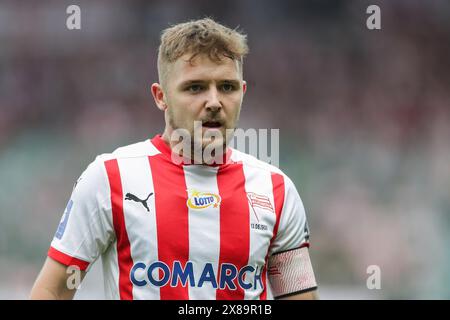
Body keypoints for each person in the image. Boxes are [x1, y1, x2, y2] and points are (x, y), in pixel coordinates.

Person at [30, 17, 318, 300]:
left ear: (242, 92)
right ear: (161, 96)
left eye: (227, 87)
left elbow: (299, 297)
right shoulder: (110, 177)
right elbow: (52, 291)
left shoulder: (276, 190)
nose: (215, 102)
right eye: (195, 87)